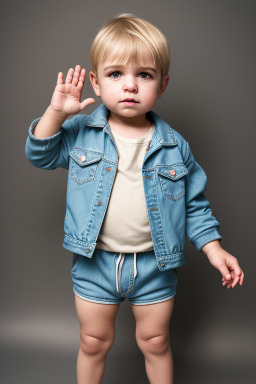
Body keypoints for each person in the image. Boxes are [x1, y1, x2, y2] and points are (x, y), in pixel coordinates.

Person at [25, 13, 244, 384]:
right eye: (115, 74)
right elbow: (40, 154)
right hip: (95, 264)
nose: (130, 85)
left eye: (144, 74)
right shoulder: (82, 132)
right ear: (95, 81)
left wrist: (214, 249)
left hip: (154, 267)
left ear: (162, 84)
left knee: (156, 342)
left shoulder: (174, 146)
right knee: (93, 342)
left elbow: (194, 205)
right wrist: (55, 114)